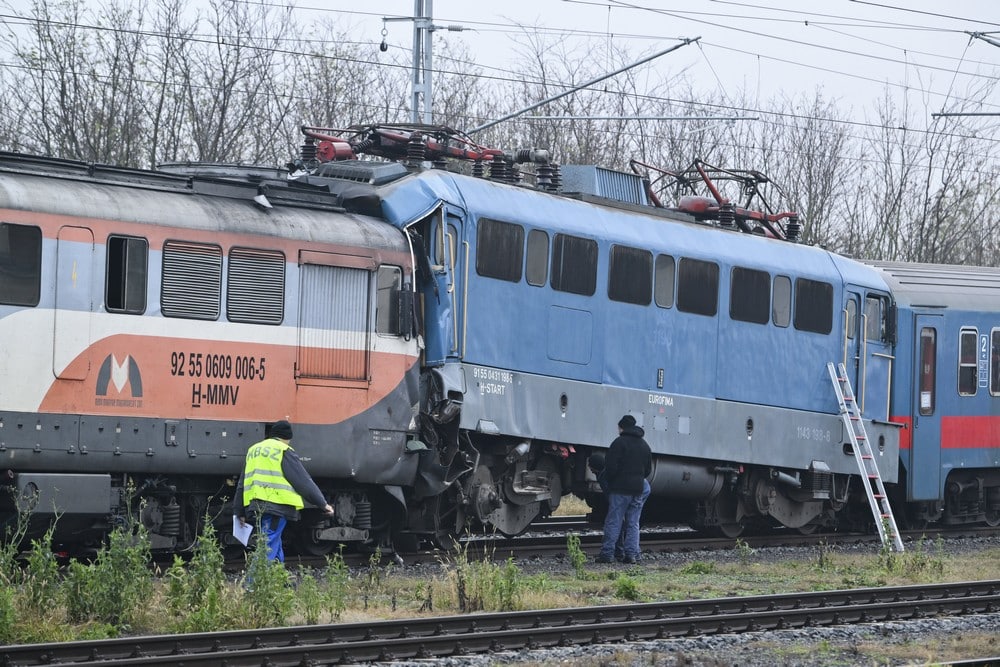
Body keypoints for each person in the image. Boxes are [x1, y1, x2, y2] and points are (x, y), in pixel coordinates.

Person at [233, 420, 334, 563]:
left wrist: (239, 512)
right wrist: (323, 504)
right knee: (268, 545)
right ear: (287, 438)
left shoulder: (253, 450)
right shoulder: (283, 450)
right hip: (276, 507)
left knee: (275, 541)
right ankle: (253, 583)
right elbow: (303, 481)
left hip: (255, 506)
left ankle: (280, 580)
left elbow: (241, 484)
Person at [596, 414, 652, 564]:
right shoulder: (644, 445)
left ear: (622, 427)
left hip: (620, 490)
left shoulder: (618, 443)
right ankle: (631, 555)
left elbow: (610, 467)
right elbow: (647, 470)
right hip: (638, 489)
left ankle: (607, 554)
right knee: (633, 523)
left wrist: (614, 480)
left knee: (614, 521)